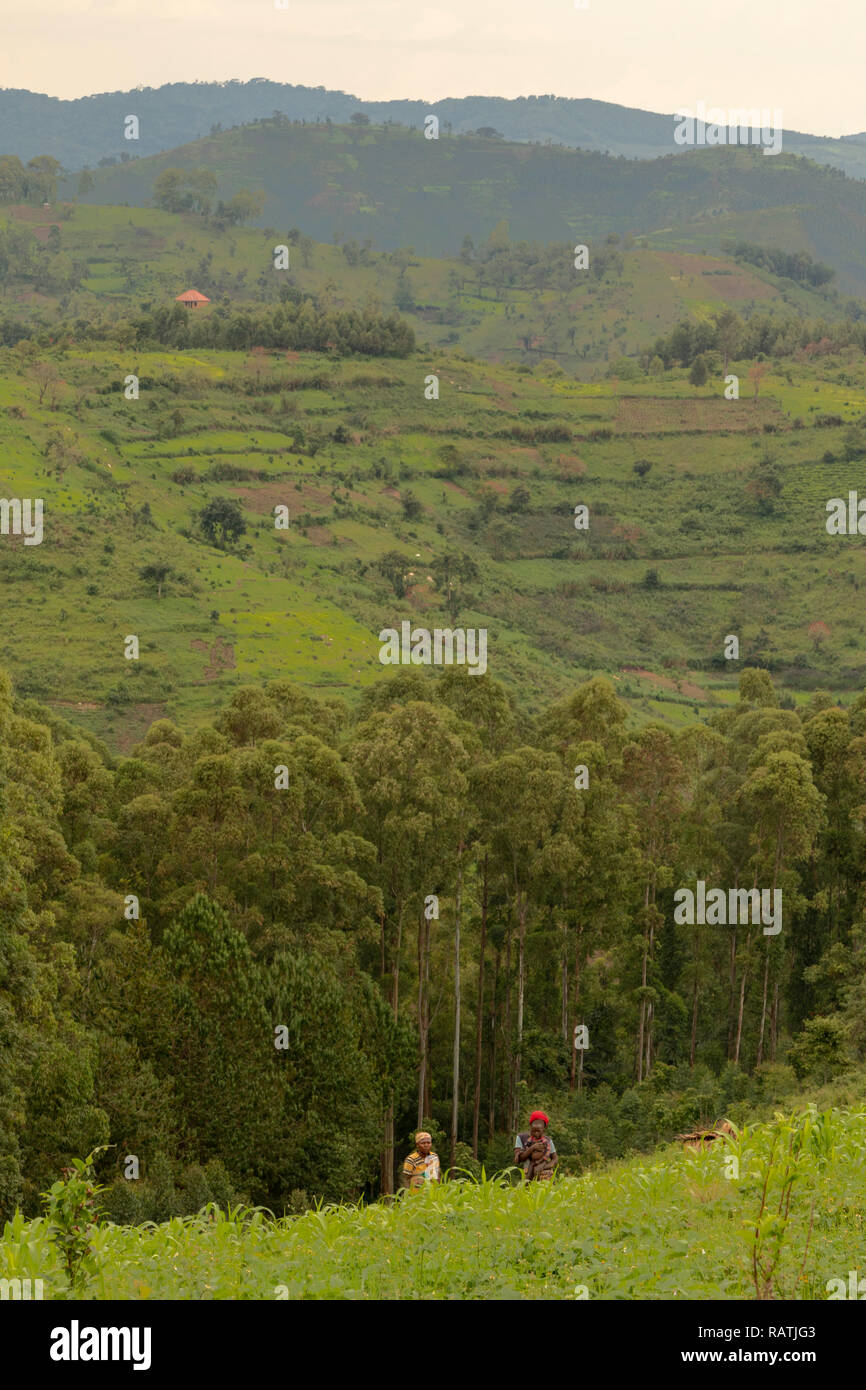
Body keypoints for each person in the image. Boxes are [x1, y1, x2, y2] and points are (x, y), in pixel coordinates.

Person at [514, 1110, 558, 1181]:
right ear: (530, 1124)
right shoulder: (521, 1137)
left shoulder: (548, 1140)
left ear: (544, 1127)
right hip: (527, 1170)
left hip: (544, 1171)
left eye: (540, 1124)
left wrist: (543, 1166)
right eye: (535, 1123)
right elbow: (519, 1158)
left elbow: (555, 1159)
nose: (537, 1126)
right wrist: (532, 1148)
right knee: (528, 1185)